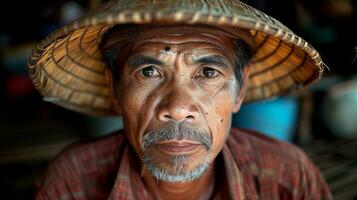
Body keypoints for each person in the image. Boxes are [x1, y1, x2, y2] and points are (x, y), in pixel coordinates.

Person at [28, 0, 332, 199]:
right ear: (115, 87)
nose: (177, 109)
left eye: (208, 72)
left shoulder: (286, 177)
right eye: (149, 71)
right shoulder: (71, 183)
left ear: (240, 90)